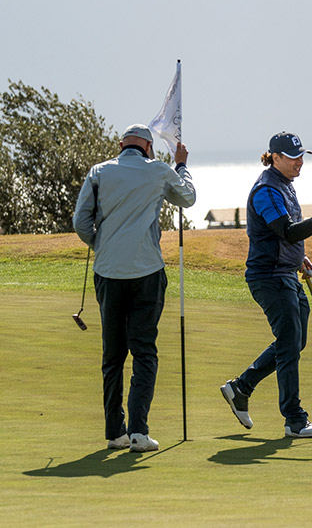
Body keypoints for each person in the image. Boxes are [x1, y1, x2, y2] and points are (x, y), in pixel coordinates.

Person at [73, 124, 196, 452]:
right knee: (144, 351)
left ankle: (115, 432)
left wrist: (101, 244)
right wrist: (180, 164)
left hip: (108, 271)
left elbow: (80, 223)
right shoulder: (157, 170)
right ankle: (139, 432)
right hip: (146, 272)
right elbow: (187, 197)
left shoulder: (99, 172)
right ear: (147, 146)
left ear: (122, 144)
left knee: (113, 354)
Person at [220, 132, 312, 439]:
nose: (299, 162)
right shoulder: (265, 190)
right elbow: (287, 231)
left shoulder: (284, 185)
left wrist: (299, 257)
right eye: (292, 157)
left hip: (285, 273)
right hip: (268, 278)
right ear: (274, 158)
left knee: (294, 341)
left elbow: (284, 237)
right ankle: (294, 420)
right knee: (289, 343)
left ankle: (241, 387)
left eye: (301, 156)